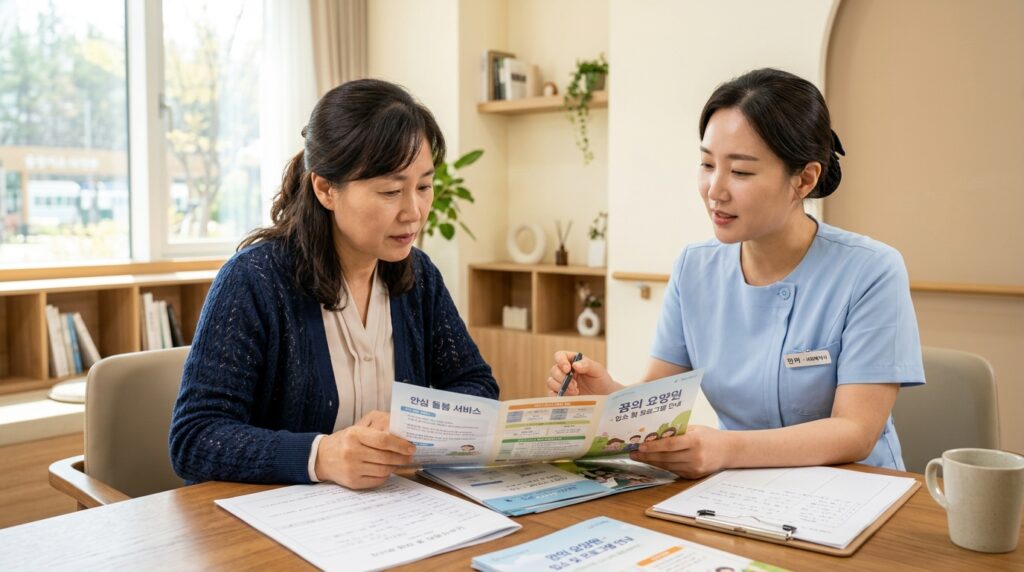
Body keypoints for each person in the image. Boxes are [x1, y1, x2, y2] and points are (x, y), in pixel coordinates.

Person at [546, 68, 924, 478]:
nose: (715, 189)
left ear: (804, 179)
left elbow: (855, 432)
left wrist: (725, 448)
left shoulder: (870, 270)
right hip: (738, 492)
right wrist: (610, 395)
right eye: (707, 164)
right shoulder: (695, 267)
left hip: (855, 488)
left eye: (741, 171)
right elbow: (659, 400)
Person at [170, 79, 498, 490]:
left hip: (389, 516)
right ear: (325, 188)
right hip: (277, 528)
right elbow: (195, 438)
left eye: (424, 187)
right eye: (391, 191)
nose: (414, 212)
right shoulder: (254, 281)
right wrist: (321, 456)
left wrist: (415, 422)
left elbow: (478, 390)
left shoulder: (419, 277)